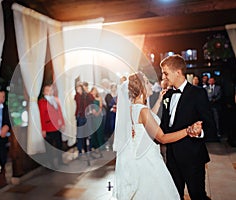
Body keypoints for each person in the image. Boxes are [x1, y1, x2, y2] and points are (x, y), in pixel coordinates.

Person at [113, 72, 202, 200]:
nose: (151, 86)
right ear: (142, 87)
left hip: (139, 158)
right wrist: (188, 131)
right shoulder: (143, 111)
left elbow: (148, 120)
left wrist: (159, 100)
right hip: (148, 160)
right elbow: (162, 137)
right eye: (147, 83)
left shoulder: (134, 108)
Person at [160, 54, 216, 200]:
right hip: (172, 158)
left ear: (178, 72)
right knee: (174, 196)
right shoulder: (167, 95)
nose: (164, 77)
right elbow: (165, 126)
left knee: (197, 196)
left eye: (166, 73)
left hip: (193, 158)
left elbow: (210, 126)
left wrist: (199, 132)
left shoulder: (198, 93)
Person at [38, 84, 65, 167]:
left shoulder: (56, 100)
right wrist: (43, 129)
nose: (49, 91)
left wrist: (63, 123)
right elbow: (42, 116)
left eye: (50, 90)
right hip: (48, 127)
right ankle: (51, 164)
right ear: (44, 92)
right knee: (49, 147)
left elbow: (60, 112)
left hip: (57, 126)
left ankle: (60, 161)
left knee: (59, 145)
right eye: (47, 90)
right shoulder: (42, 102)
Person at [74, 83, 94, 156]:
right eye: (76, 89)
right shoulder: (77, 96)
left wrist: (86, 92)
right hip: (80, 117)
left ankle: (89, 149)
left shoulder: (87, 95)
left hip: (87, 116)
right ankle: (80, 151)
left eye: (79, 88)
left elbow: (92, 99)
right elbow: (78, 103)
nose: (77, 90)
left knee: (88, 134)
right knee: (80, 135)